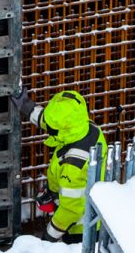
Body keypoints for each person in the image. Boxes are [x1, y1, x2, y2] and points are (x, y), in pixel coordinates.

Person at [10, 87, 107, 242]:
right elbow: (52, 121)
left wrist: (47, 238)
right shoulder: (83, 125)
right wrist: (26, 106)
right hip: (84, 205)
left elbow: (70, 211)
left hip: (81, 229)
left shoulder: (73, 165)